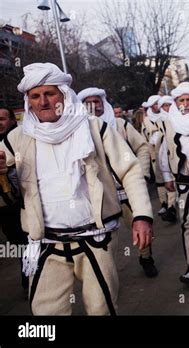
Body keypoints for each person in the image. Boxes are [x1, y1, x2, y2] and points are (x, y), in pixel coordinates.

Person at [0, 63, 153, 315]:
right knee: (46, 313)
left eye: (49, 93)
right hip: (46, 244)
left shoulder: (94, 128)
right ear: (28, 101)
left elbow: (130, 170)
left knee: (101, 309)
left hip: (96, 239)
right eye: (35, 96)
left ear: (64, 94)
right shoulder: (18, 137)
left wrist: (142, 216)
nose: (43, 102)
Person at [78, 87, 158, 278]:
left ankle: (146, 258)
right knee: (102, 241)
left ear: (103, 103)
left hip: (126, 191)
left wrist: (143, 174)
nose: (93, 106)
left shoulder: (120, 125)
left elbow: (142, 148)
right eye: (87, 102)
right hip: (101, 196)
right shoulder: (79, 131)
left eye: (96, 101)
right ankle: (105, 275)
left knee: (141, 227)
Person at [159, 82, 189, 285]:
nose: (186, 104)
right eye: (182, 100)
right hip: (185, 183)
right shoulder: (169, 121)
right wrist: (167, 176)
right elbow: (165, 150)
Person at [0, 106, 29, 291]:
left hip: (21, 204)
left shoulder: (21, 140)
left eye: (2, 119)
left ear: (12, 120)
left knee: (26, 244)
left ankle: (29, 280)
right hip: (3, 207)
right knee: (17, 244)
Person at [142, 95, 177, 222]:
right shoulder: (148, 119)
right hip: (155, 153)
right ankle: (164, 203)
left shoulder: (171, 117)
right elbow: (148, 136)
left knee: (171, 178)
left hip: (169, 151)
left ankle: (171, 206)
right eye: (163, 105)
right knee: (161, 180)